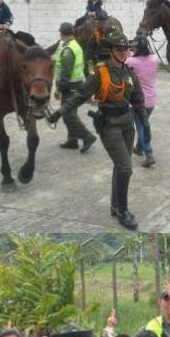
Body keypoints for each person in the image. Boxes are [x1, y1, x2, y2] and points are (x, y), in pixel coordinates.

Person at [59, 29, 146, 230]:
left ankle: (115, 206)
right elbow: (81, 95)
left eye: (126, 49)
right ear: (110, 50)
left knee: (120, 166)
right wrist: (62, 110)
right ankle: (123, 211)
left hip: (127, 123)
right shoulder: (100, 72)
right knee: (126, 168)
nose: (124, 52)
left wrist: (144, 123)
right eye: (119, 48)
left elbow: (137, 98)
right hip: (109, 123)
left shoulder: (129, 71)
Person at [53, 22, 98, 153]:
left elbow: (66, 72)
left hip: (70, 86)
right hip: (76, 84)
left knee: (68, 114)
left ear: (62, 33)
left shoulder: (68, 49)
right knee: (71, 113)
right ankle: (72, 140)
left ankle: (88, 137)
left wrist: (59, 88)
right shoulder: (74, 44)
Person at [125, 34, 160, 166]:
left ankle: (149, 153)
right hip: (151, 100)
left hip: (137, 101)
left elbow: (124, 66)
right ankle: (139, 148)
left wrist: (128, 54)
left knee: (140, 126)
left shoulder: (130, 62)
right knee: (144, 124)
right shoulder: (155, 59)